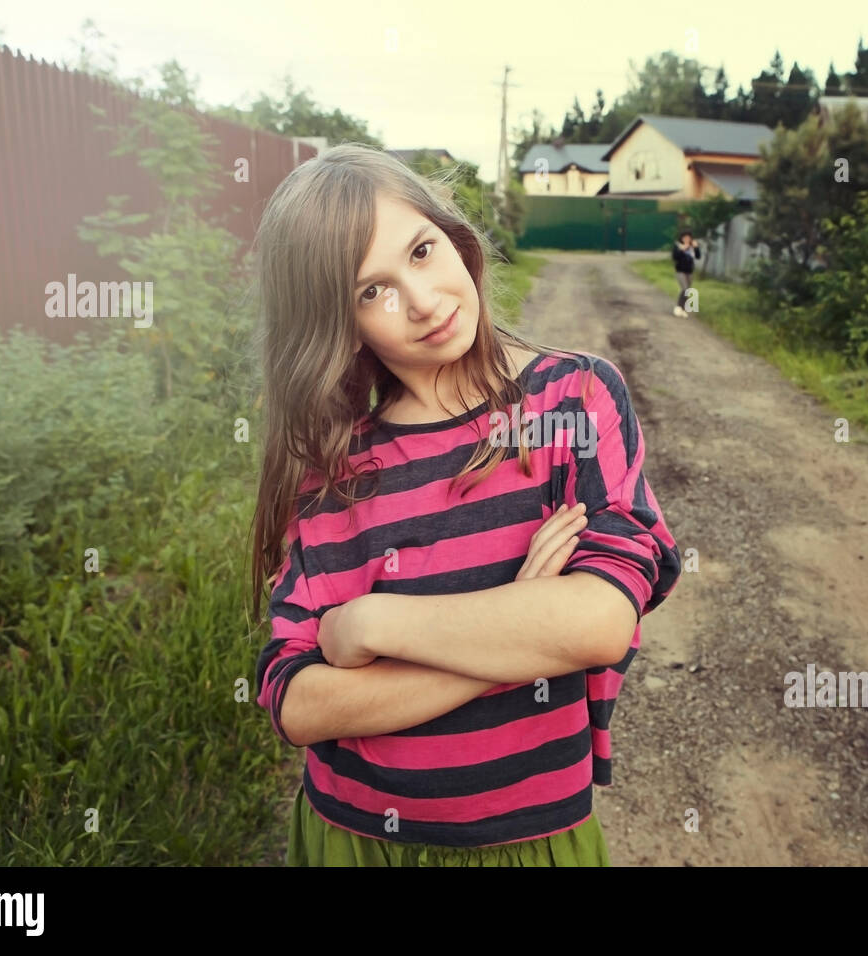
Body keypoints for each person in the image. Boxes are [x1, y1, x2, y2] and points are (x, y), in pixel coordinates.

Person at [248, 143, 683, 867]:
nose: (420, 301)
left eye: (420, 252)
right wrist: (521, 625)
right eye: (371, 291)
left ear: (453, 237)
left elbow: (601, 620)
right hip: (352, 840)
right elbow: (297, 702)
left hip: (530, 839)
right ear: (339, 323)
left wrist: (372, 621)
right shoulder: (332, 465)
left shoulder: (572, 400)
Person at [670, 230, 701, 317]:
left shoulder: (692, 247)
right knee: (685, 289)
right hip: (680, 271)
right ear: (682, 238)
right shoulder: (678, 246)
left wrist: (696, 247)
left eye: (688, 237)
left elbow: (698, 256)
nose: (687, 239)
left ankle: (683, 309)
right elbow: (675, 257)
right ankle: (678, 307)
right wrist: (681, 249)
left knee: (687, 290)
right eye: (685, 237)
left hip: (689, 271)